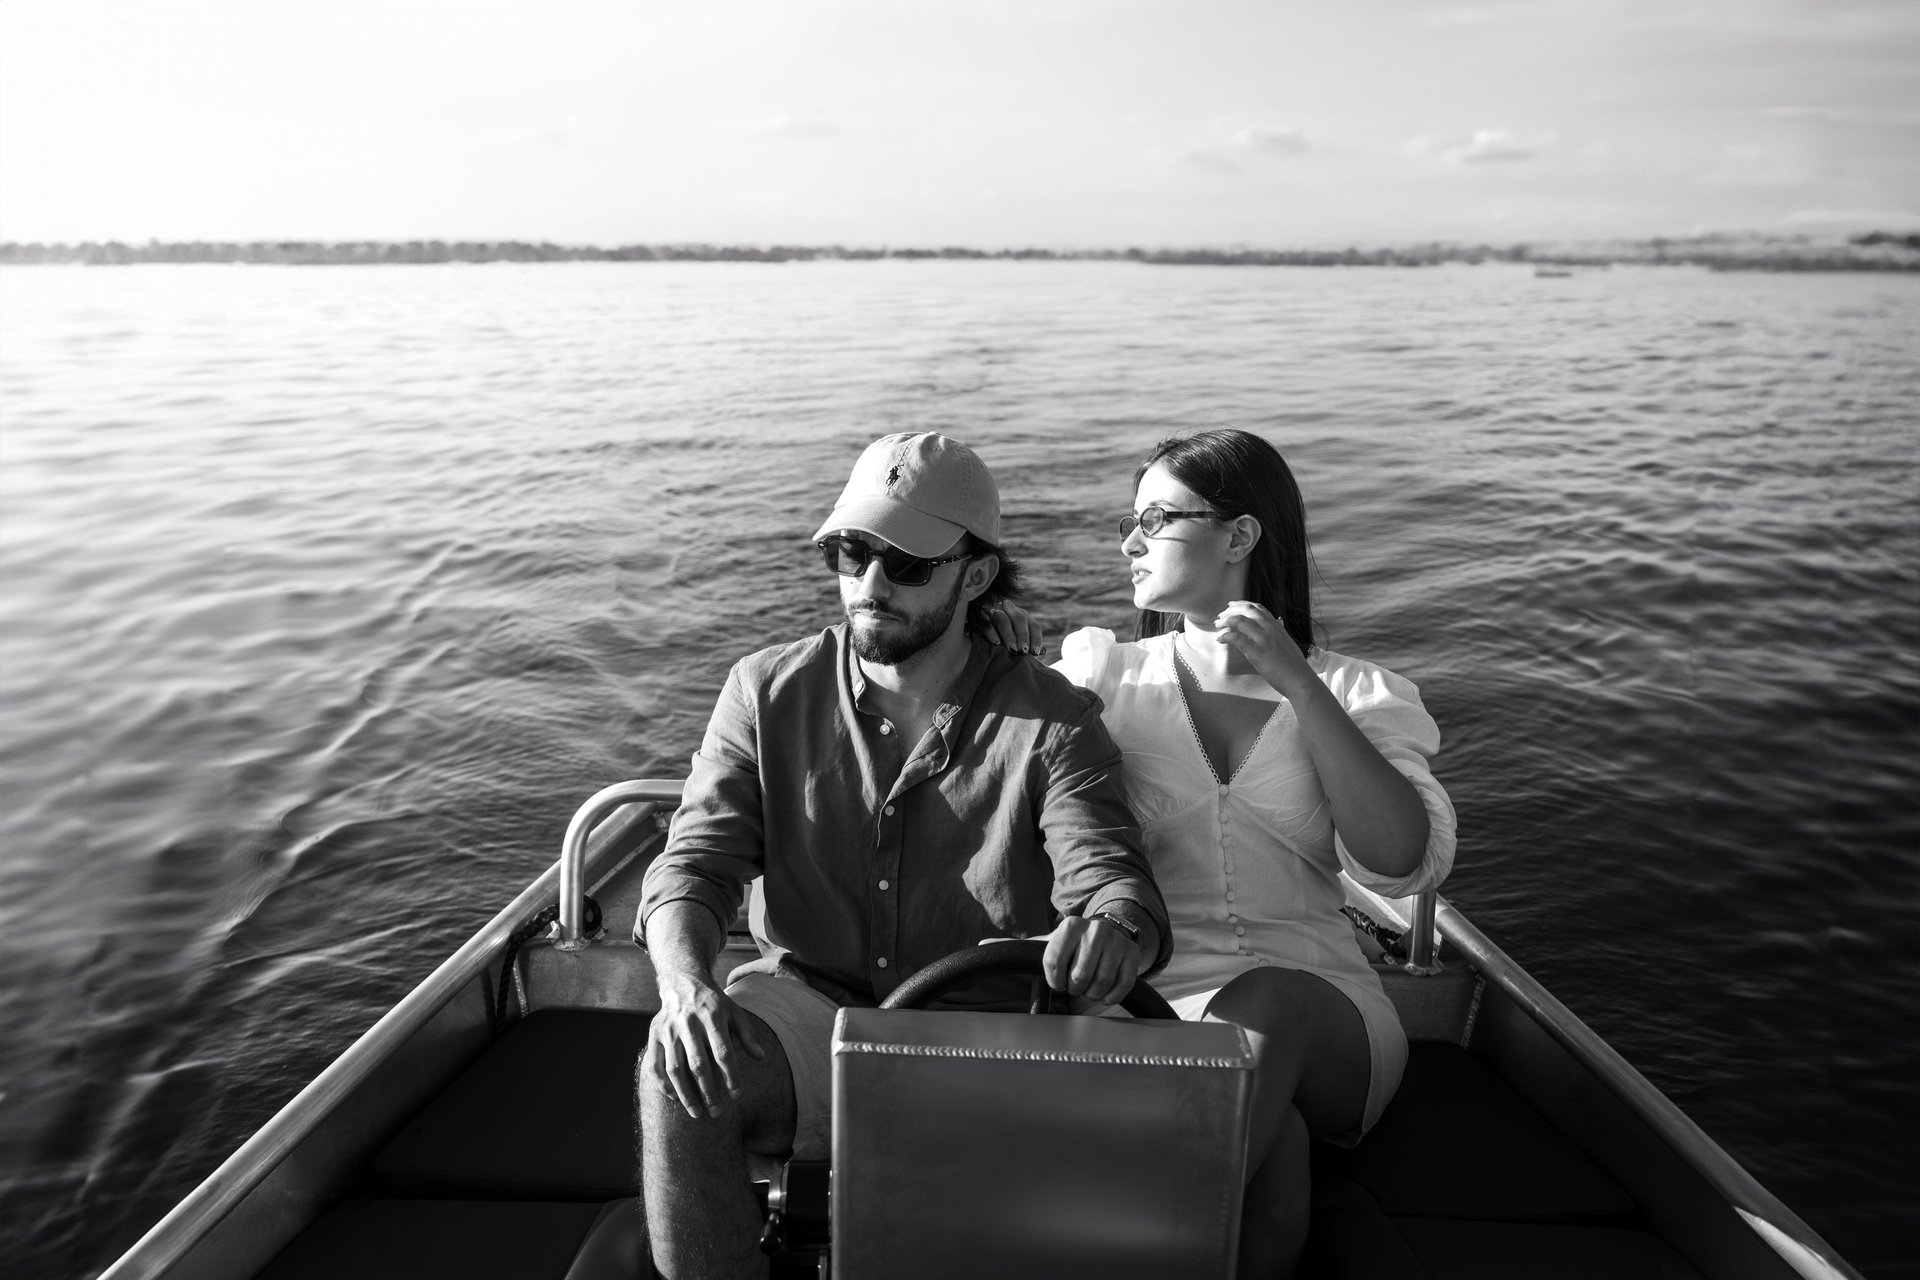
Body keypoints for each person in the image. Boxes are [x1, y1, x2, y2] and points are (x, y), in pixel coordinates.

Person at [635, 431, 1171, 1280]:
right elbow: (693, 867)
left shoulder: (1055, 720)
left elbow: (1111, 883)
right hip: (812, 1009)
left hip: (990, 1040)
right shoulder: (763, 690)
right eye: (851, 554)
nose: (870, 585)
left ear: (977, 576)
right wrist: (686, 986)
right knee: (682, 1072)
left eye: (907, 564)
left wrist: (1112, 934)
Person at [996, 428, 1456, 1279]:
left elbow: (1397, 863)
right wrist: (996, 671)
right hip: (1139, 1007)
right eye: (1128, 521)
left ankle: (1112, 1247)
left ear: (1240, 536)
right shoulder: (1103, 676)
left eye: (1155, 519)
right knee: (1270, 1171)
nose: (1128, 542)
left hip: (1321, 1015)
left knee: (1266, 1006)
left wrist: (1299, 683)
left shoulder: (1356, 690)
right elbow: (1014, 811)